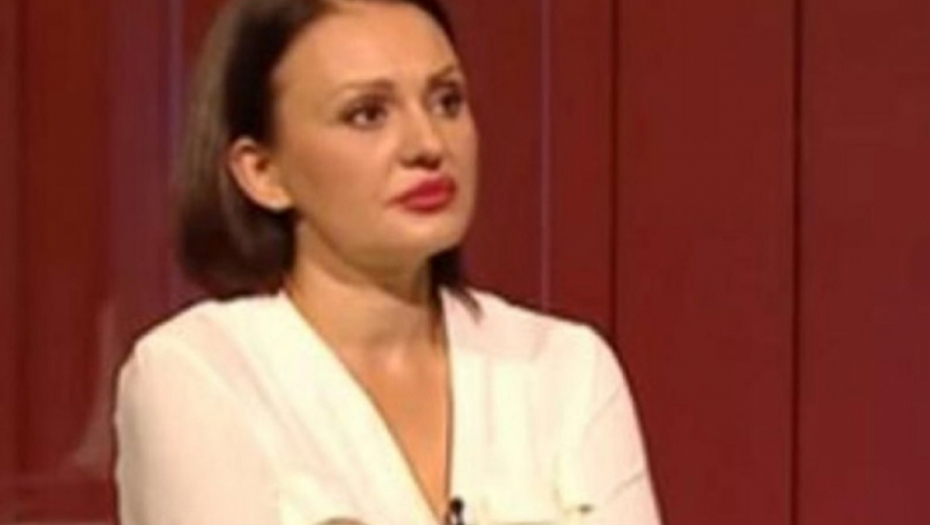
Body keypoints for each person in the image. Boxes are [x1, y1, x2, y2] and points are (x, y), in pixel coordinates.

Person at [113, 0, 662, 524]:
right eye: (367, 114)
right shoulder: (196, 372)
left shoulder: (566, 369)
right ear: (263, 172)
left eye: (446, 101)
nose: (428, 144)